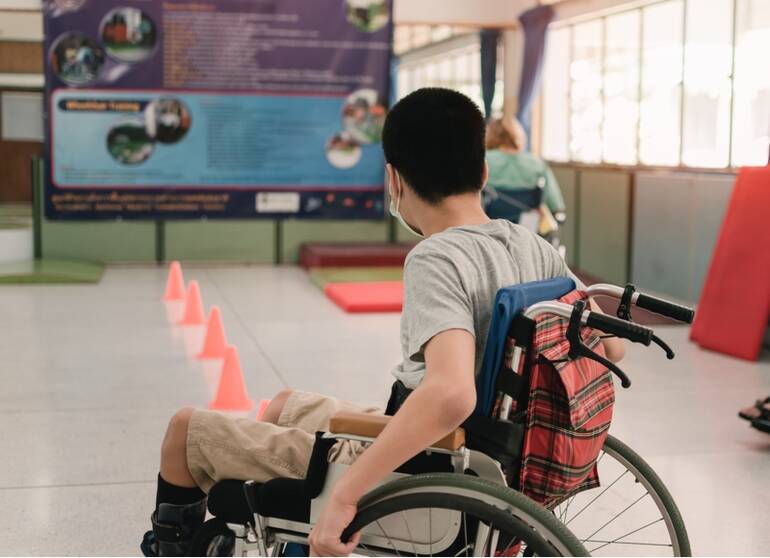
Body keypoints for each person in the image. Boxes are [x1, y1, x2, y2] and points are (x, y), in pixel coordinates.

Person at [141, 87, 625, 557]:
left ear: (394, 180)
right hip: (502, 459)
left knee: (186, 432)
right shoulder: (534, 247)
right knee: (284, 406)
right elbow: (612, 348)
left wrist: (346, 495)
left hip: (435, 467)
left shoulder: (438, 258)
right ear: (482, 171)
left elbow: (451, 394)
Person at [485, 115, 566, 220]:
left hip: (489, 223)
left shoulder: (484, 160)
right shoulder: (536, 163)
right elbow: (556, 205)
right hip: (526, 226)